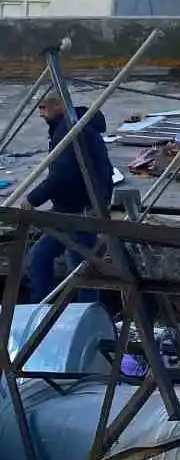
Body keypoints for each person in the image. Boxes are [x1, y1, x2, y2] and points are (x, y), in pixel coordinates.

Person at [22, 95, 113, 304]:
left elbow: (63, 174)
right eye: (38, 107)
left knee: (81, 269)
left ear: (59, 105)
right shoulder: (68, 127)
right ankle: (40, 309)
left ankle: (84, 316)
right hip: (67, 208)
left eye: (44, 107)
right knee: (40, 257)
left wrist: (33, 199)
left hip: (80, 210)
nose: (40, 112)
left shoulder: (71, 131)